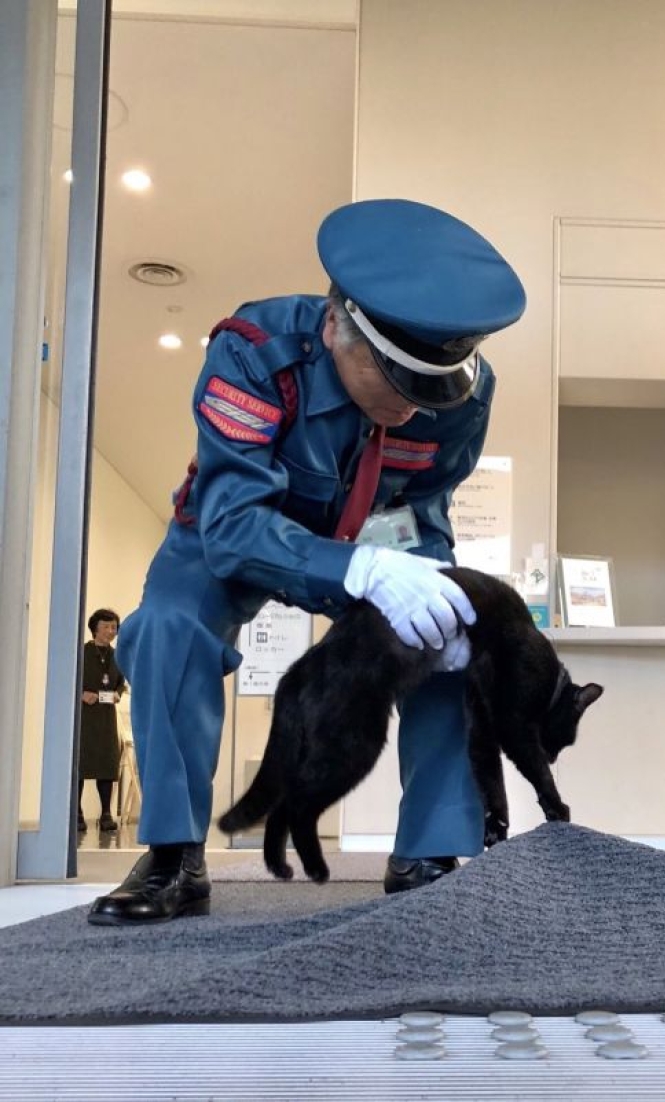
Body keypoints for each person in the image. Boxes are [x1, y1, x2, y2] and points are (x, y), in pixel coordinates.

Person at [88, 198, 526, 926]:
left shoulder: (461, 395)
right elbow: (232, 525)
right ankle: (173, 856)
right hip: (232, 530)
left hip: (370, 539)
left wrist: (429, 584)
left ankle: (429, 855)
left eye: (430, 393)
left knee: (452, 636)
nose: (412, 410)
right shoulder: (255, 348)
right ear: (334, 328)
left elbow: (423, 505)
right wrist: (355, 572)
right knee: (164, 631)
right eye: (393, 385)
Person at [78, 609, 126, 834]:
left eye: (114, 627)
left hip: (106, 716)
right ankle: (76, 812)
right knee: (80, 762)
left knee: (107, 763)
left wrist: (117, 693)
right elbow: (69, 679)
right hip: (84, 717)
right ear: (95, 628)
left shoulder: (118, 655)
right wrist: (80, 694)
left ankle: (106, 813)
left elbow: (120, 683)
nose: (111, 631)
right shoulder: (82, 652)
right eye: (106, 626)